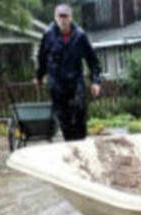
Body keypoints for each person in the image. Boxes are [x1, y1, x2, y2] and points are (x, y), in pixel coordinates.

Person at [35, 3, 101, 141]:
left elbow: (92, 60)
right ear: (55, 18)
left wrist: (95, 81)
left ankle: (81, 144)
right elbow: (42, 58)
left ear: (71, 18)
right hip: (57, 84)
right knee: (64, 120)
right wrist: (39, 77)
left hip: (75, 82)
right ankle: (70, 146)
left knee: (79, 114)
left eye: (66, 17)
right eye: (60, 17)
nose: (63, 20)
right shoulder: (48, 35)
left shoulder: (80, 36)